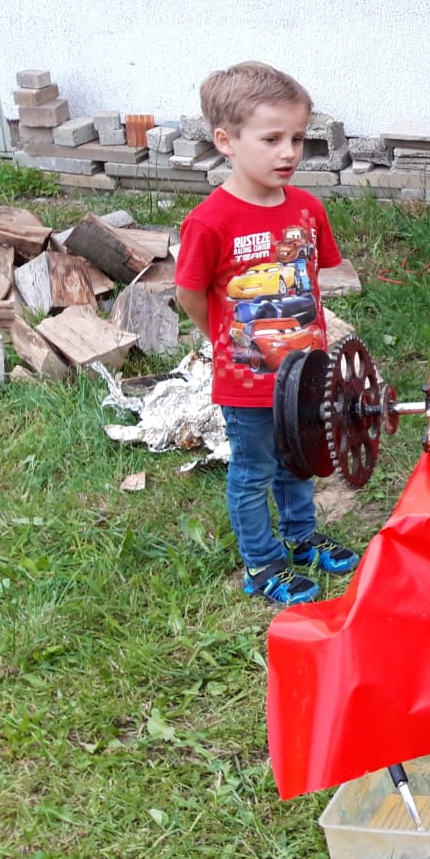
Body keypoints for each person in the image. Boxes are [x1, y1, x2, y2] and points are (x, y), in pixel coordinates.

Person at [175, 62, 360, 606]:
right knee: (255, 472)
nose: (289, 153)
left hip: (304, 375)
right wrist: (223, 341)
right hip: (248, 384)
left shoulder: (307, 209)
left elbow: (311, 277)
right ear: (225, 141)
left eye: (297, 139)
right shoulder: (211, 222)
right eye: (272, 139)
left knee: (299, 457)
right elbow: (189, 294)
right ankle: (262, 563)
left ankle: (302, 538)